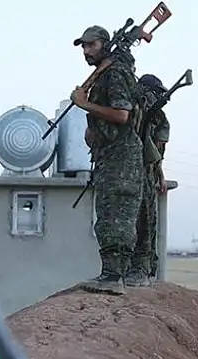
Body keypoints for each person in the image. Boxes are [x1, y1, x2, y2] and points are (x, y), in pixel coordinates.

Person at [70, 25, 144, 295]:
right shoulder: (104, 75)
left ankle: (114, 277)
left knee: (116, 215)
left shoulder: (115, 73)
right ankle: (111, 274)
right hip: (110, 154)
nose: (86, 51)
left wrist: (84, 104)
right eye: (83, 46)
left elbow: (122, 114)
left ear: (105, 43)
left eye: (91, 45)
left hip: (121, 156)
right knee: (108, 213)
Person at [125, 74, 170, 287]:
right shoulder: (134, 109)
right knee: (134, 221)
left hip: (147, 173)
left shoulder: (157, 117)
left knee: (147, 221)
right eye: (154, 92)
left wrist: (160, 175)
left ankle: (145, 267)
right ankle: (133, 267)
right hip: (129, 171)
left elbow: (156, 151)